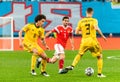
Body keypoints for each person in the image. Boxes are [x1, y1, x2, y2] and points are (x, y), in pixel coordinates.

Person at [65, 8, 107, 77]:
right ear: (92, 12)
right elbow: (96, 28)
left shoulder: (81, 21)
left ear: (86, 12)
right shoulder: (94, 20)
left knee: (80, 54)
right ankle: (99, 74)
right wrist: (102, 36)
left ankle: (72, 66)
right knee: (100, 56)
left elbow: (76, 32)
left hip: (84, 41)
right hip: (93, 41)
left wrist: (84, 32)